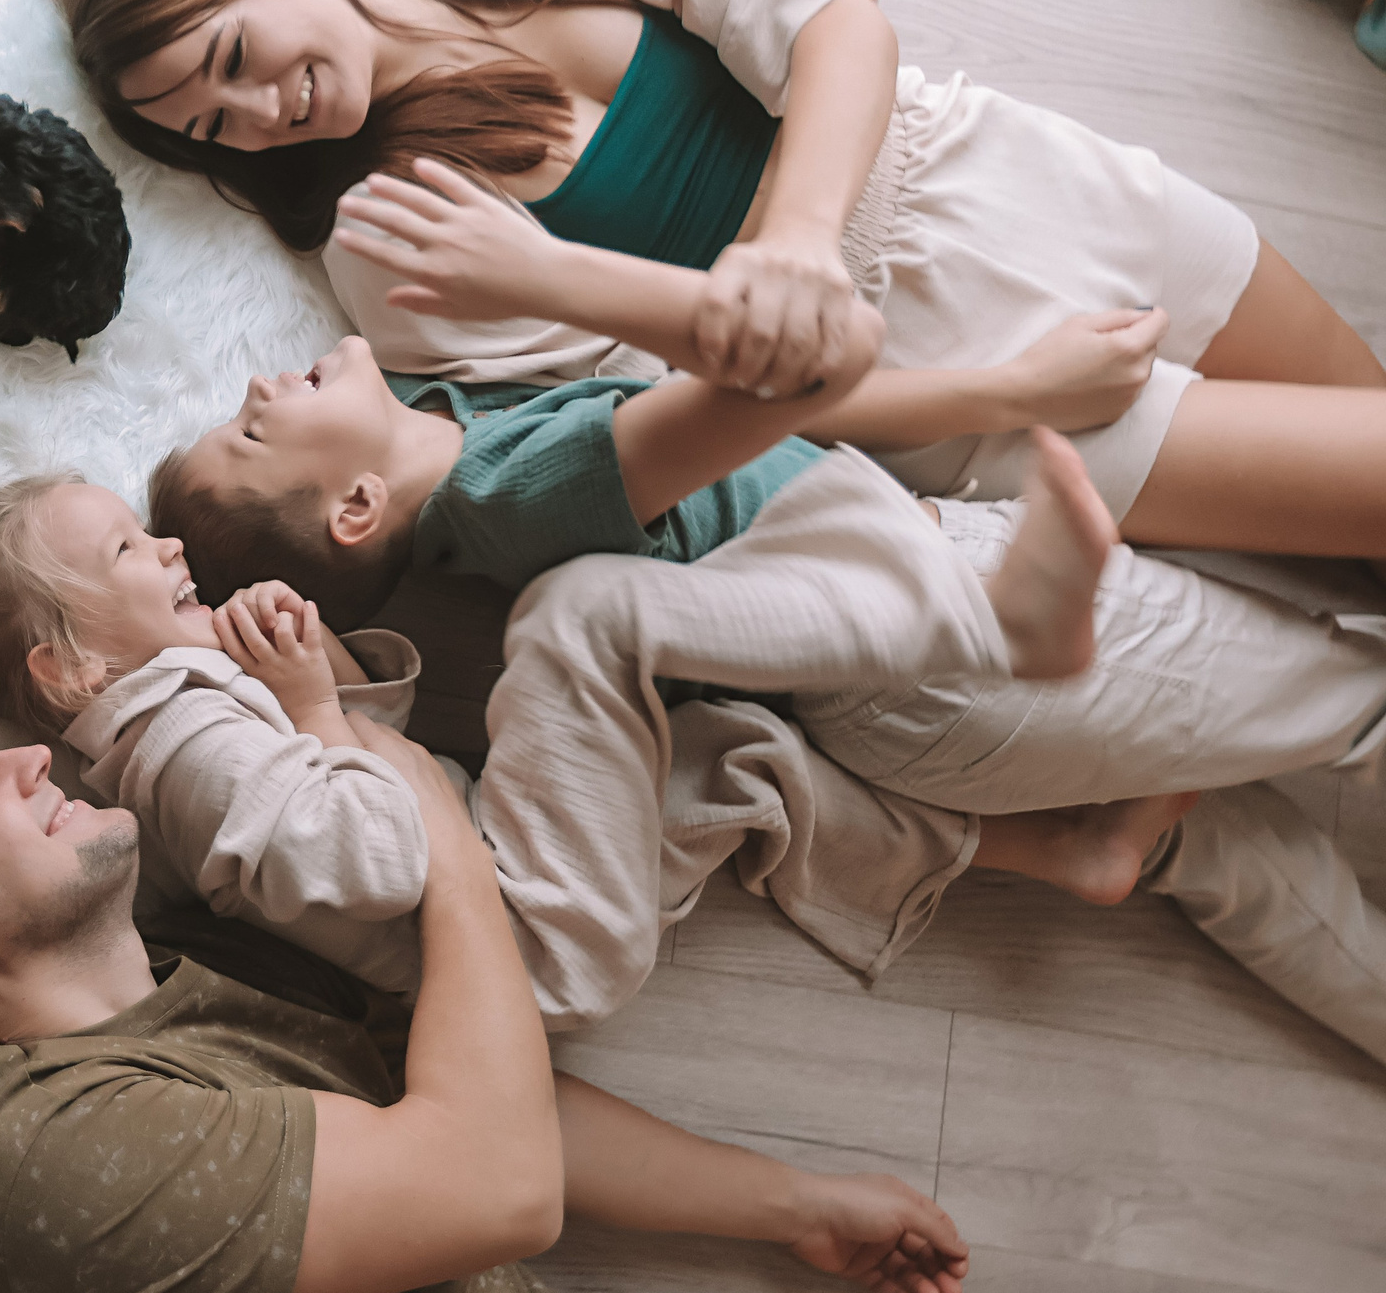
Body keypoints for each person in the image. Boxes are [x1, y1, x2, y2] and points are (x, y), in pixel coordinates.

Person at [50, 0, 1386, 561]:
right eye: (211, 128)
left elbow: (839, 24)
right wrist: (1007, 390)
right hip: (943, 382)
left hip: (999, 175)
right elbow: (688, 416)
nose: (260, 113)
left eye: (234, 57)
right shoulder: (387, 241)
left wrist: (795, 240)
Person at [148, 324, 1386, 1034]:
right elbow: (766, 385)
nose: (254, 385)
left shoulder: (459, 452)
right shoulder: (509, 492)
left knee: (1244, 828)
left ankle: (1121, 830)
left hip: (916, 673)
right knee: (1348, 700)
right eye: (250, 430)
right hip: (944, 647)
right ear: (356, 507)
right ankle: (1027, 657)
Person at [0, 723, 972, 1293]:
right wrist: (451, 855)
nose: (23, 759)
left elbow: (485, 1101)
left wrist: (794, 1204)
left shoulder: (192, 972)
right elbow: (494, 1186)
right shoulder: (33, 1160)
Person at [0, 457, 1190, 1013]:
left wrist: (327, 675)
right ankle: (959, 612)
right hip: (516, 921)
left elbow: (371, 759)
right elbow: (379, 853)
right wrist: (307, 705)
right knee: (577, 626)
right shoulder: (181, 757)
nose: (169, 546)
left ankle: (1056, 852)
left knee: (735, 760)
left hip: (529, 917)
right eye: (128, 552)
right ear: (71, 667)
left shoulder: (182, 718)